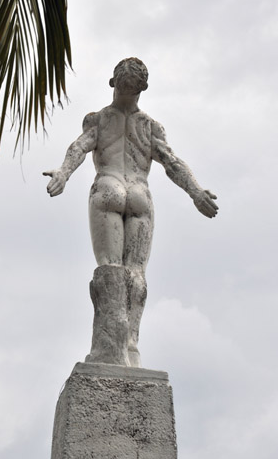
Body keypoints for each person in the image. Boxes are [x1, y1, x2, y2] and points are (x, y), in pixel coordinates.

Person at [44, 57, 218, 367]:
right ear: (143, 88)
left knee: (112, 270)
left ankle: (112, 347)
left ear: (113, 83)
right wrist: (195, 191)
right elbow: (172, 163)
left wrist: (63, 173)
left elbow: (79, 147)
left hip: (108, 188)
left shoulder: (98, 120)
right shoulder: (150, 127)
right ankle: (131, 348)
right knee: (136, 275)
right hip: (139, 193)